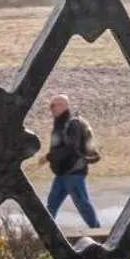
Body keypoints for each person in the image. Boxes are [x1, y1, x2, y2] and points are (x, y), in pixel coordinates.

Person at [44, 95, 101, 229]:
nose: (50, 109)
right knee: (51, 204)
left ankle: (97, 231)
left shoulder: (72, 124)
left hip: (74, 171)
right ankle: (45, 232)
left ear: (62, 106)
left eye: (52, 106)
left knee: (82, 204)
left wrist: (49, 157)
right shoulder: (60, 123)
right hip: (62, 172)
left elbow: (70, 149)